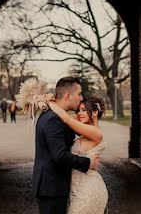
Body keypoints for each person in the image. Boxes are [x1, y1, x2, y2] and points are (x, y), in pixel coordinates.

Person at [32, 77, 99, 214]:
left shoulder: (56, 116)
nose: (81, 98)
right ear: (68, 95)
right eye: (79, 94)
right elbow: (59, 155)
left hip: (53, 186)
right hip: (51, 187)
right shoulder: (53, 119)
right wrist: (87, 163)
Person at [47, 95, 108, 214]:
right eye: (79, 110)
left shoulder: (95, 132)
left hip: (89, 191)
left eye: (84, 110)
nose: (80, 113)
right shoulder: (85, 130)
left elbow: (66, 119)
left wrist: (49, 102)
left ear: (95, 112)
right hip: (78, 191)